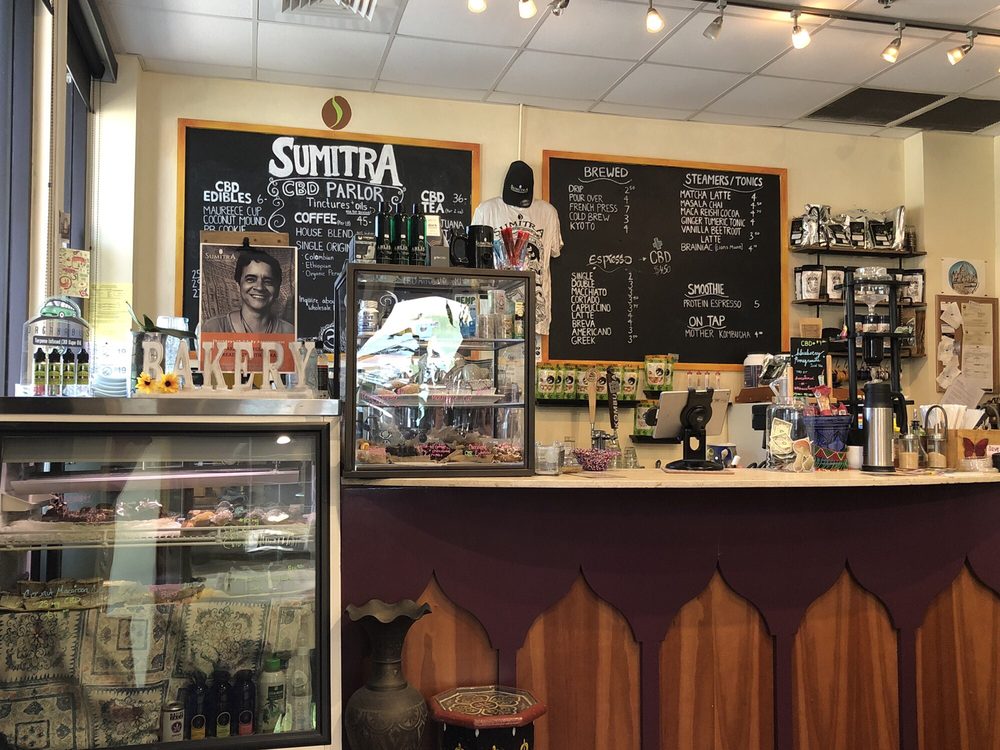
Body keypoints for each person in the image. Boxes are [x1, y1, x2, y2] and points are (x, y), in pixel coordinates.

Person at [202, 249, 294, 334]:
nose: (259, 287)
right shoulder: (214, 328)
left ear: (277, 289)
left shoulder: (289, 332)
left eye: (267, 281)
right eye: (251, 279)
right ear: (239, 285)